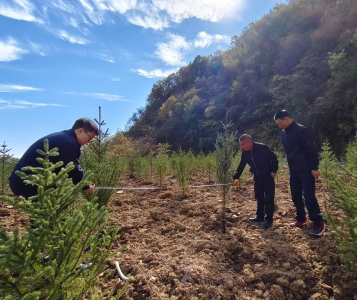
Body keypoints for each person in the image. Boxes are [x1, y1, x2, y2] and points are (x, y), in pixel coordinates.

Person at [9, 118, 98, 198]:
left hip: (22, 181)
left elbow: (62, 167)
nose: (88, 142)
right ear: (80, 131)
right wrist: (85, 187)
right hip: (28, 182)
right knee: (54, 209)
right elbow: (73, 169)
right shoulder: (69, 143)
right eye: (89, 138)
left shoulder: (64, 137)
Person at [274, 110, 325, 236]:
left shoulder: (302, 131)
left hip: (306, 169)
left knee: (308, 196)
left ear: (286, 118)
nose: (279, 126)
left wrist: (314, 167)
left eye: (280, 123)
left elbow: (311, 150)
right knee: (295, 195)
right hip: (294, 170)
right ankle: (301, 218)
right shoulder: (284, 133)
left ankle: (318, 223)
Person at [233, 134, 278, 229]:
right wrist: (236, 177)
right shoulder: (245, 153)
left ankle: (268, 219)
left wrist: (273, 171)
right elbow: (241, 165)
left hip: (267, 177)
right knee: (259, 197)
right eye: (240, 145)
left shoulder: (262, 148)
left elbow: (274, 159)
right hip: (257, 177)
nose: (241, 147)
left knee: (269, 198)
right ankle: (259, 216)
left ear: (250, 142)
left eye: (243, 144)